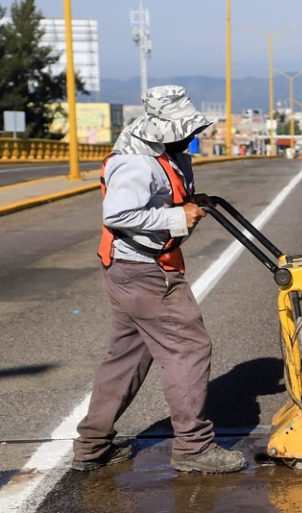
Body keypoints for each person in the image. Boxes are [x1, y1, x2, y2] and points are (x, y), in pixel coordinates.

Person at [71, 85, 247, 474]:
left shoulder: (162, 152)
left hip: (128, 269)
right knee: (189, 348)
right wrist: (175, 217)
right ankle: (193, 448)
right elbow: (117, 214)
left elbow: (160, 196)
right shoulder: (137, 163)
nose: (191, 137)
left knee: (127, 355)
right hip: (144, 272)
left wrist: (189, 205)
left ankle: (92, 446)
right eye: (186, 131)